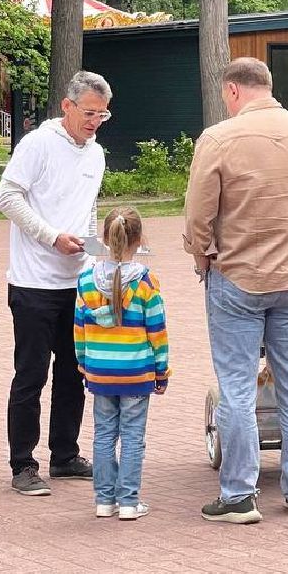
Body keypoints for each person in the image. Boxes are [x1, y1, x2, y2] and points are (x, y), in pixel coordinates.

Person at [184, 57, 288, 524]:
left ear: (233, 91)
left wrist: (201, 255)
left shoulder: (219, 139)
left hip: (239, 276)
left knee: (238, 387)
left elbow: (199, 211)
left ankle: (240, 494)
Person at [0, 70, 112, 496]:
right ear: (67, 106)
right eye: (88, 112)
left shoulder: (95, 154)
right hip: (33, 283)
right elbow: (5, 197)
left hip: (77, 282)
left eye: (102, 114)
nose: (95, 121)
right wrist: (50, 237)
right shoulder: (38, 144)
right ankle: (23, 463)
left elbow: (88, 209)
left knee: (74, 373)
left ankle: (64, 455)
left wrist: (98, 254)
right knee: (31, 374)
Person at [74, 207, 169, 521]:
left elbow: (79, 328)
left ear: (104, 237)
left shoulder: (87, 280)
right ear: (139, 239)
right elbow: (156, 330)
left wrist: (84, 364)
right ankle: (128, 501)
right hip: (136, 372)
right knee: (132, 437)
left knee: (103, 434)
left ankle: (104, 500)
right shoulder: (145, 282)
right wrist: (161, 370)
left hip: (100, 371)